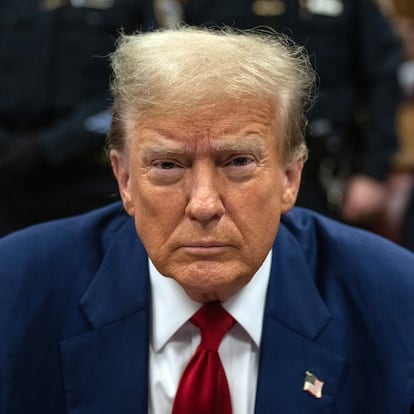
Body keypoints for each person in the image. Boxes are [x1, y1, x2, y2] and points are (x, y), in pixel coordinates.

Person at [1, 26, 414, 414]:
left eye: (237, 162)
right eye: (167, 165)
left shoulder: (397, 301)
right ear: (124, 180)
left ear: (290, 178)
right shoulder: (15, 288)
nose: (203, 204)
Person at [162, 0, 402, 227]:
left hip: (326, 167)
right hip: (233, 161)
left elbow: (382, 81)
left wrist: (373, 171)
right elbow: (187, 79)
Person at [0, 0, 155, 236]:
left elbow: (141, 84)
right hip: (8, 174)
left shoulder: (132, 5)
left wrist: (52, 146)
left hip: (91, 176)